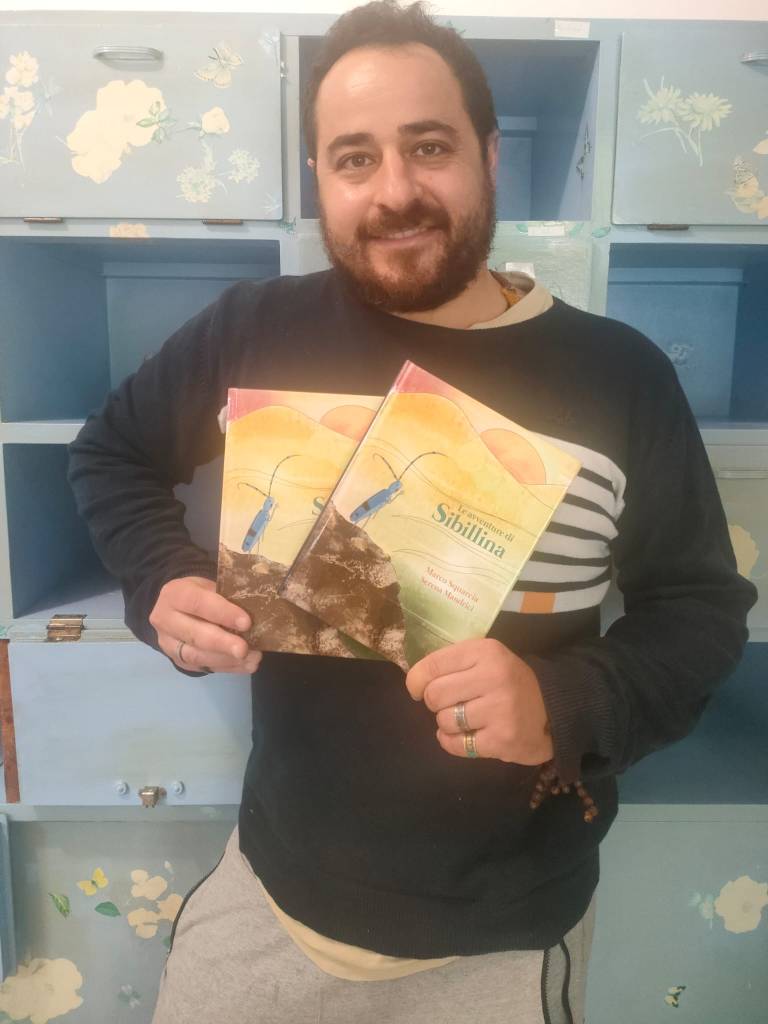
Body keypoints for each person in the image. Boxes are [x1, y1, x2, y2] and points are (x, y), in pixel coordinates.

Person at [67, 3, 757, 1021]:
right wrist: (160, 577)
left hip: (505, 936)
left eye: (429, 147)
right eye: (355, 158)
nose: (394, 192)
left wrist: (567, 701)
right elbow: (112, 454)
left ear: (488, 155)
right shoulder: (255, 328)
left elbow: (699, 610)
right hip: (270, 894)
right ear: (320, 178)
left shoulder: (620, 375)